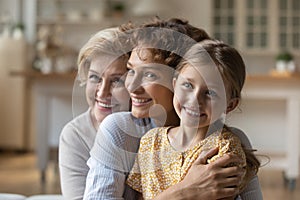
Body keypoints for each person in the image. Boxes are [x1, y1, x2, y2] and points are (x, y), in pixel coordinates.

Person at [84, 17, 262, 200]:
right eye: (131, 70)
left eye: (150, 75)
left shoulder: (227, 142)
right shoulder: (124, 132)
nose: (132, 87)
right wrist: (186, 191)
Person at [126, 39, 261, 200]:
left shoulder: (225, 149)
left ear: (230, 105)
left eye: (210, 93)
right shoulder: (151, 141)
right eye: (188, 85)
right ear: (174, 85)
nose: (195, 100)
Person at [59, 27, 131, 200]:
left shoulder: (152, 130)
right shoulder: (74, 135)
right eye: (94, 77)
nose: (102, 92)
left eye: (116, 81)